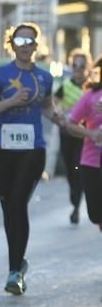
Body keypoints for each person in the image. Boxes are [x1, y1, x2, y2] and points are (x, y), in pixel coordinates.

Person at [0, 22, 62, 296]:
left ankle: (13, 272)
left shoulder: (45, 77)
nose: (25, 47)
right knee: (10, 208)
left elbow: (47, 107)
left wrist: (62, 120)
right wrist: (8, 103)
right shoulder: (0, 74)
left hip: (33, 150)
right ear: (11, 44)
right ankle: (18, 263)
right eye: (20, 42)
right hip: (1, 153)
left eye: (30, 42)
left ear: (37, 45)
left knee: (18, 203)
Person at [63, 55, 102, 230]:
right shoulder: (91, 96)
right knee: (96, 215)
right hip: (92, 162)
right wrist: (91, 134)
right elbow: (70, 124)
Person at [55, 48, 91, 224]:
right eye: (75, 64)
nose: (78, 68)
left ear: (88, 67)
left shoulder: (93, 88)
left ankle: (76, 206)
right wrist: (62, 113)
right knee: (71, 170)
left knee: (79, 169)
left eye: (81, 65)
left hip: (85, 136)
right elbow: (54, 105)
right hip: (67, 132)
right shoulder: (65, 86)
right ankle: (74, 198)